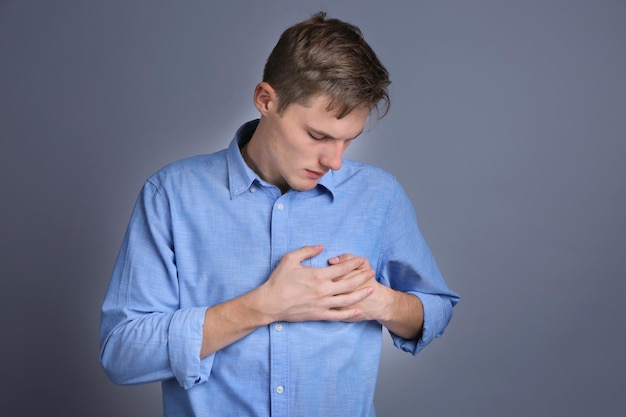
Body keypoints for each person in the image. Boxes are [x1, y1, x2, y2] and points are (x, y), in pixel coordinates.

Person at [99, 11, 459, 417]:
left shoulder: (379, 196)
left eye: (348, 141)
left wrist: (378, 302)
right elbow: (121, 352)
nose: (335, 161)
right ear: (266, 100)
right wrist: (264, 306)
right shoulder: (171, 195)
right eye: (318, 136)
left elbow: (436, 310)